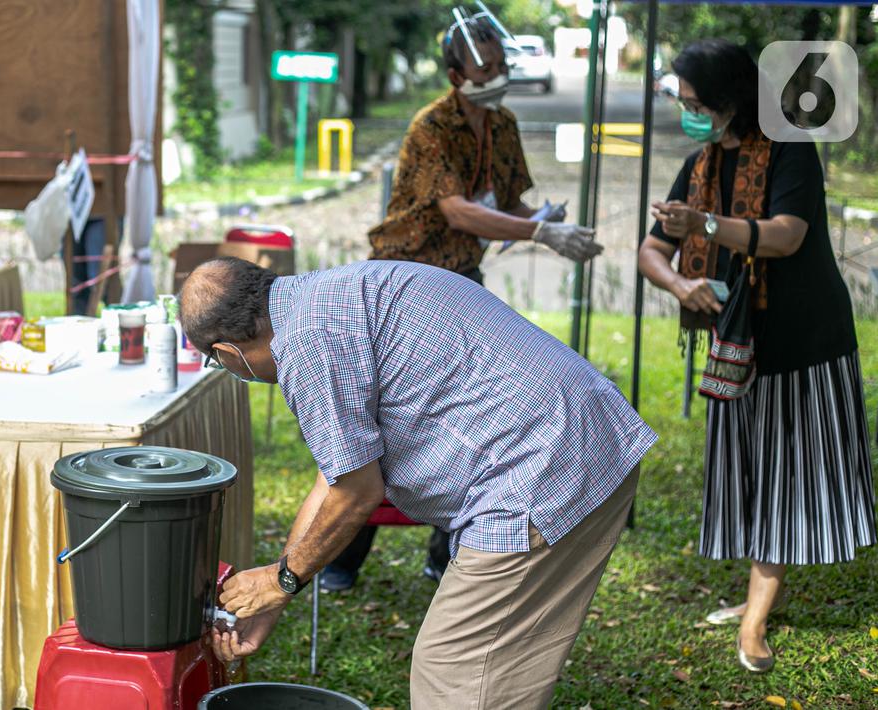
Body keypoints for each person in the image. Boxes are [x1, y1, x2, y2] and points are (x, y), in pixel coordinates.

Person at [181, 257, 656, 709]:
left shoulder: (304, 344)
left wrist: (282, 579)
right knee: (503, 664)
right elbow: (338, 476)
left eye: (219, 364)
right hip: (593, 435)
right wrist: (277, 593)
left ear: (227, 352)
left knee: (451, 668)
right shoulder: (331, 296)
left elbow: (356, 495)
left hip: (537, 471)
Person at [329, 7, 603, 592]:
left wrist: (552, 227)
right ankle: (342, 559)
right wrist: (535, 231)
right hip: (402, 283)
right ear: (456, 76)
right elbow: (456, 209)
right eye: (487, 69)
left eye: (503, 65)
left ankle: (446, 552)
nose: (499, 76)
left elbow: (512, 204)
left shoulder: (501, 125)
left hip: (461, 281)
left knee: (470, 412)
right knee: (386, 417)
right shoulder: (431, 126)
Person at [638, 40, 876, 674]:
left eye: (694, 103)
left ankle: (754, 621)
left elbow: (786, 236)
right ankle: (756, 593)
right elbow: (650, 250)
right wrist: (679, 282)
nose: (687, 112)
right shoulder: (698, 164)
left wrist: (707, 226)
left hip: (803, 343)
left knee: (786, 479)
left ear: (729, 99)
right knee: (749, 473)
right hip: (736, 349)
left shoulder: (791, 151)